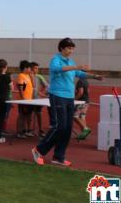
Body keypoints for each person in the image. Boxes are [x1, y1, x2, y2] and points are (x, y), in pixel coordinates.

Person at [32, 38, 103, 167]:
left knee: (67, 128)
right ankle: (38, 150)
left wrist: (94, 76)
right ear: (62, 48)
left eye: (72, 48)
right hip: (57, 96)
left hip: (69, 98)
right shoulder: (55, 60)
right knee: (59, 126)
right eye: (69, 48)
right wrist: (76, 67)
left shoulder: (71, 62)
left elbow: (79, 73)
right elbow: (59, 69)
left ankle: (59, 157)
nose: (71, 51)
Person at [16, 60, 34, 138]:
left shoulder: (28, 76)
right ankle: (19, 132)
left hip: (29, 99)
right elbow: (20, 88)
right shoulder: (21, 75)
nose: (31, 70)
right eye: (29, 68)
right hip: (23, 100)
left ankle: (24, 130)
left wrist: (32, 77)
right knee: (21, 115)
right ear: (25, 68)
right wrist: (23, 99)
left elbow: (32, 86)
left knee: (28, 115)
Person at [30, 62, 48, 137]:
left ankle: (40, 129)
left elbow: (46, 85)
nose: (37, 70)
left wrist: (41, 93)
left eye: (38, 68)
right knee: (28, 114)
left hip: (37, 98)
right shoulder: (28, 76)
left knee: (38, 113)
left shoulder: (39, 76)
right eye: (35, 68)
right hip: (29, 98)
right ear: (31, 68)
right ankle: (29, 129)